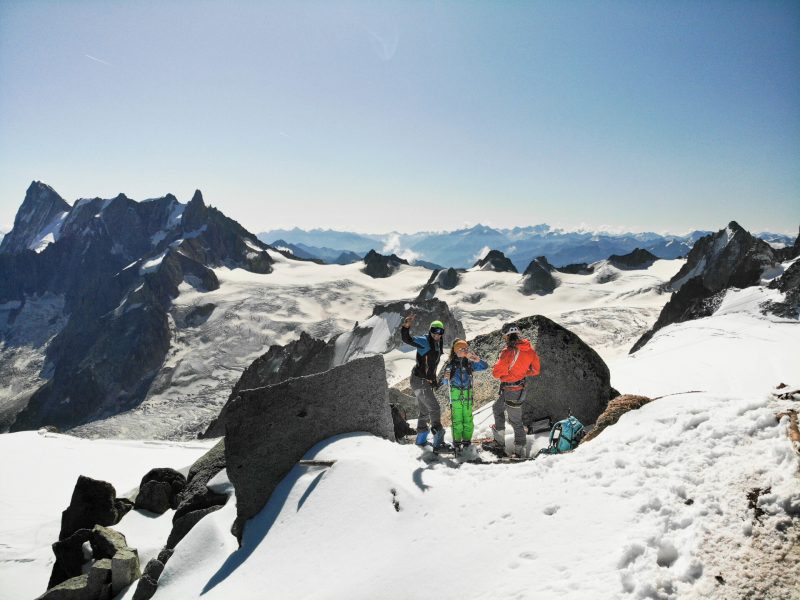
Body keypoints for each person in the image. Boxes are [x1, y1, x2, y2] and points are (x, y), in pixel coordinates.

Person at [490, 323, 541, 458]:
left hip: (510, 389)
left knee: (515, 421)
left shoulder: (507, 352)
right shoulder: (529, 350)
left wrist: (509, 374)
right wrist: (523, 372)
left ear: (506, 336)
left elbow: (496, 373)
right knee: (497, 408)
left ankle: (519, 451)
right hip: (517, 389)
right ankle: (500, 442)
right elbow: (535, 370)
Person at [401, 313, 448, 450]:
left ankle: (421, 440)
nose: (437, 335)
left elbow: (432, 365)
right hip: (419, 380)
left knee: (424, 411)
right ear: (430, 330)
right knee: (435, 408)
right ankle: (438, 442)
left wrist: (433, 380)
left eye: (440, 332)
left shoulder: (438, 343)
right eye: (434, 331)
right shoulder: (424, 341)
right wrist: (406, 326)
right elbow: (407, 339)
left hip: (423, 381)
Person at [440, 339, 488, 455]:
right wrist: (445, 379)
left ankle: (466, 441)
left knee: (468, 419)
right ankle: (457, 443)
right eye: (463, 349)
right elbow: (445, 382)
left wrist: (478, 360)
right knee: (457, 420)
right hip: (456, 393)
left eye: (466, 349)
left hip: (466, 393)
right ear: (457, 350)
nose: (466, 351)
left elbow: (484, 366)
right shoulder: (451, 365)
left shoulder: (469, 363)